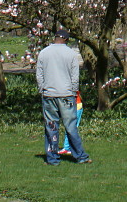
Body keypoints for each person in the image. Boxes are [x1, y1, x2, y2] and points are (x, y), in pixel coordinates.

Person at [36, 28, 91, 165]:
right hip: (66, 95)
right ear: (66, 39)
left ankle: (52, 159)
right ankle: (80, 156)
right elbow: (74, 77)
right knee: (71, 127)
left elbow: (39, 75)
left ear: (55, 38)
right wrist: (73, 92)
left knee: (51, 126)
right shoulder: (71, 54)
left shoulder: (43, 53)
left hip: (49, 94)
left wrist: (42, 89)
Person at [57, 90, 83, 157]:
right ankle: (68, 147)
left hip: (76, 107)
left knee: (71, 128)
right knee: (70, 128)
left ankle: (67, 148)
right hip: (74, 106)